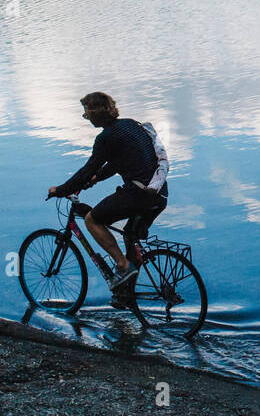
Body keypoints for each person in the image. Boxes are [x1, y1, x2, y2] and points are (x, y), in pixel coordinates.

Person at [47, 92, 169, 305]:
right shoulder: (130, 125)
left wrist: (61, 189)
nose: (85, 116)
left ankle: (122, 265)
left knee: (92, 219)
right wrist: (96, 179)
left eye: (86, 112)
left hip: (137, 195)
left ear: (96, 114)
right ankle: (125, 295)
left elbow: (87, 169)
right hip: (158, 195)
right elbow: (116, 163)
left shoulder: (105, 138)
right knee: (130, 236)